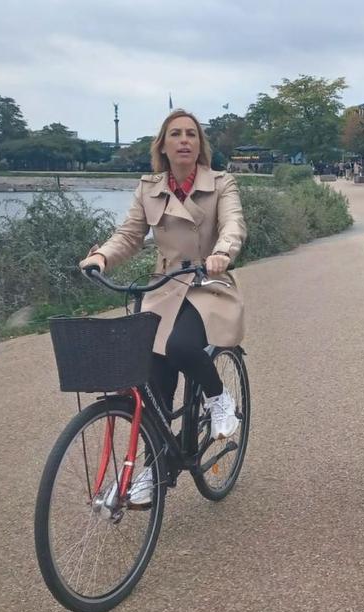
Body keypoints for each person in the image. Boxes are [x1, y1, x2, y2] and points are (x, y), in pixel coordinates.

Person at [79, 109, 246, 505]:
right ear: (163, 145)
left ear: (200, 144)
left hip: (208, 284)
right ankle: (160, 462)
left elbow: (234, 226)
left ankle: (220, 398)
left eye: (191, 133)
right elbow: (129, 235)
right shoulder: (148, 188)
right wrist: (101, 257)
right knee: (151, 377)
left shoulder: (222, 184)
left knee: (182, 346)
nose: (184, 140)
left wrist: (222, 253)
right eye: (176, 134)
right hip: (164, 287)